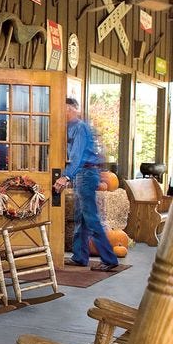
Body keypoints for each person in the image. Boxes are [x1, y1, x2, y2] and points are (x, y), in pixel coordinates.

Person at [53, 97, 118, 271]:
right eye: (62, 109)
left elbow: (78, 157)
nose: (64, 112)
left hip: (86, 174)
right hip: (85, 174)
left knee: (91, 218)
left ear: (74, 109)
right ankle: (80, 256)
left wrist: (65, 177)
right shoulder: (71, 127)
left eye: (67, 109)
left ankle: (109, 258)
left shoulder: (79, 127)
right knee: (81, 218)